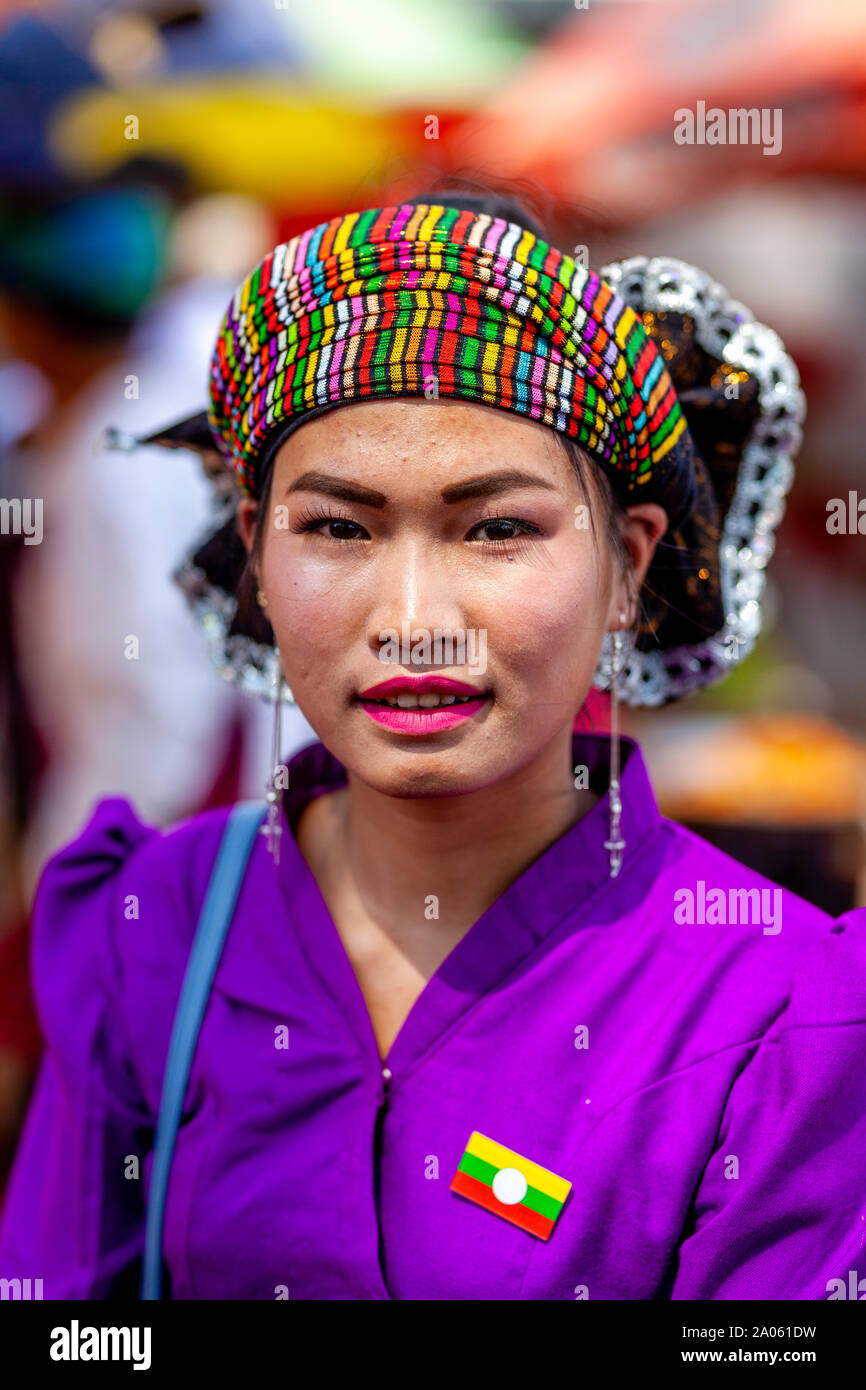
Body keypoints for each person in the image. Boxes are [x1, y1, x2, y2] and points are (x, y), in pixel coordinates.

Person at [1, 185, 864, 1301]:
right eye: (338, 528)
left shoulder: (776, 1008)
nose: (411, 617)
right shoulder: (155, 922)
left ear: (628, 566)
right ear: (257, 552)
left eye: (496, 528)